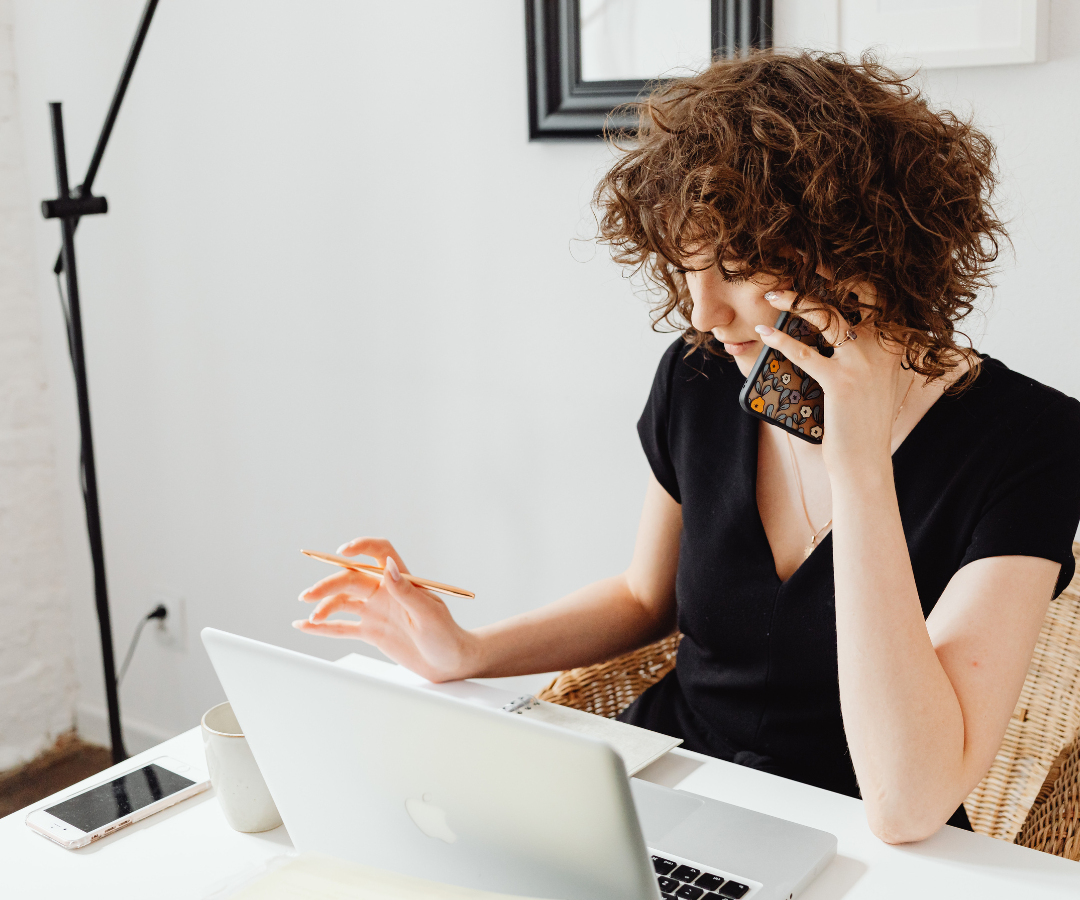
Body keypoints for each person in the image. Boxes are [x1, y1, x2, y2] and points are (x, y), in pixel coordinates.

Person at [294, 53, 1080, 844]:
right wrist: (466, 651)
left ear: (859, 253)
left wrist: (860, 465)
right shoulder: (703, 378)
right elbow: (646, 598)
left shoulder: (1031, 442)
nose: (703, 314)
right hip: (659, 802)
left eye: (735, 270)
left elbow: (908, 800)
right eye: (686, 268)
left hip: (857, 852)